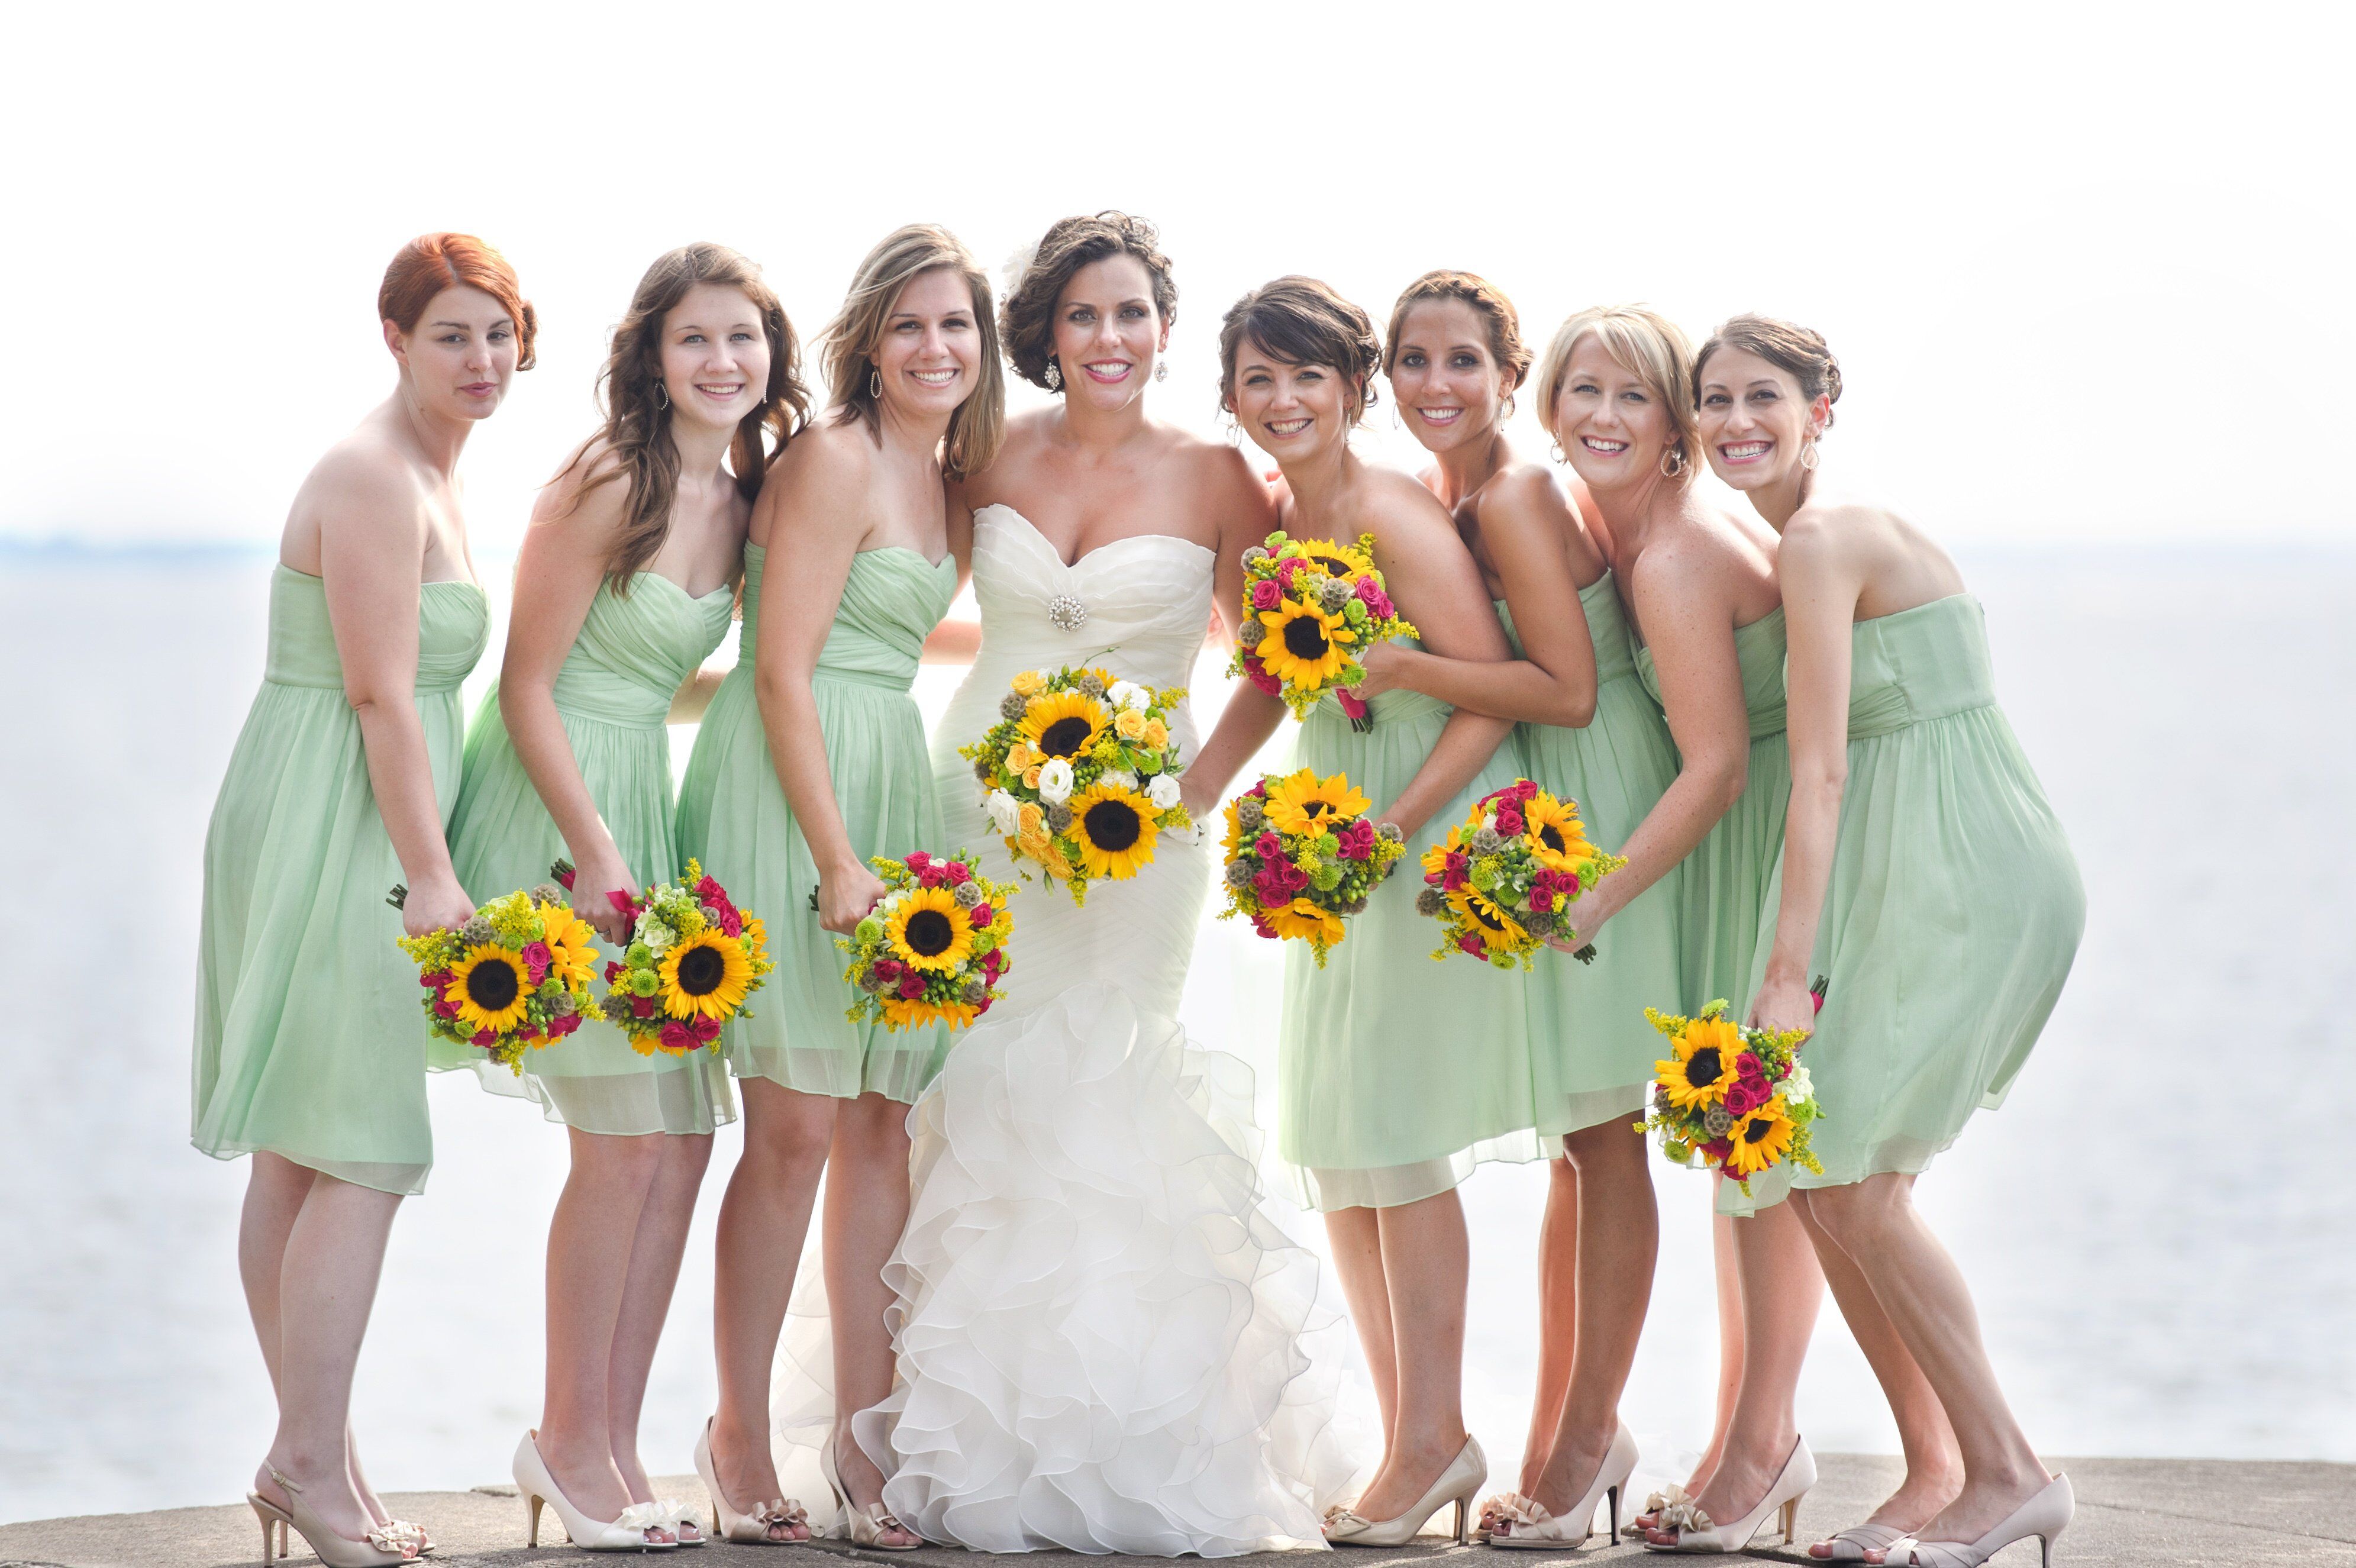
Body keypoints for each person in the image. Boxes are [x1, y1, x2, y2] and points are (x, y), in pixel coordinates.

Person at [849, 213, 1355, 1555]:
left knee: (1116, 1081)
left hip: (1149, 841)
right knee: (973, 1092)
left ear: (1163, 331)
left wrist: (1191, 795)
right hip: (976, 813)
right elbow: (891, 585)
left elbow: (1276, 658)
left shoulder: (1217, 477)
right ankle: (968, 1441)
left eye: (1131, 313)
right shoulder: (985, 453)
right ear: (1045, 334)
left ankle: (1136, 1440)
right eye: (1083, 316)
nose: (1110, 339)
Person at [1698, 314, 2083, 1568]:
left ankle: (2008, 1473)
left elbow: (1817, 773)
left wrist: (1781, 977)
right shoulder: (1811, 538)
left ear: (1823, 405)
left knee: (1850, 1184)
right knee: (1824, 1181)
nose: (1733, 422)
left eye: (1762, 396)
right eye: (1712, 402)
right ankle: (1937, 1472)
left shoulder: (1821, 537)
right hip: (1931, 857)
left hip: (1958, 868)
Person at [442, 243, 803, 1548]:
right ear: (653, 356)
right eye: (696, 339)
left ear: (772, 357)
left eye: (744, 340)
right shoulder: (612, 475)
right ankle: (563, 1440)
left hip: (640, 795)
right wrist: (594, 848)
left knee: (682, 1139)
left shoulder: (746, 488)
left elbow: (730, 657)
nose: (722, 362)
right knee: (622, 1143)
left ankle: (612, 1442)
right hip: (555, 806)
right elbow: (529, 679)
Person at [192, 232, 523, 1565]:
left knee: (302, 1141)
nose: (482, 359)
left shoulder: (438, 468)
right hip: (344, 815)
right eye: (452, 334)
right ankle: (308, 1461)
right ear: (394, 339)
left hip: (342, 797)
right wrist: (432, 875)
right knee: (363, 1141)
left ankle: (318, 1454)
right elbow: (384, 692)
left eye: (499, 333)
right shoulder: (375, 475)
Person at [674, 222, 1000, 1550]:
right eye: (912, 325)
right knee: (795, 1126)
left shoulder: (950, 478)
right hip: (791, 794)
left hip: (894, 785)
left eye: (959, 328)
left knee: (881, 1122)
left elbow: (923, 628)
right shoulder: (833, 458)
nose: (936, 348)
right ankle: (735, 1434)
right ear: (871, 337)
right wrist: (833, 857)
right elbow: (779, 668)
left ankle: (863, 1443)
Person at [1350, 272, 1677, 1549]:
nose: (1436, 384)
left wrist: (1405, 664)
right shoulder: (1444, 496)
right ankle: (1563, 1431)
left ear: (1505, 373)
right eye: (1414, 362)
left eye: (1462, 362)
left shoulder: (1520, 493)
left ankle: (1585, 1434)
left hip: (1594, 793)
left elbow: (1568, 687)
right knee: (1570, 1132)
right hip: (1534, 806)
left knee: (1602, 1127)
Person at [1223, 275, 1532, 1548]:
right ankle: (1420, 1432)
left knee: (1395, 1132)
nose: (1283, 400)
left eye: (1306, 376)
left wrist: (1390, 831)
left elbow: (1496, 690)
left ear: (1351, 389)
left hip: (1416, 821)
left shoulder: (1393, 513)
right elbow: (1260, 678)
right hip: (1328, 827)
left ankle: (1431, 1434)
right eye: (1258, 378)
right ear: (1234, 396)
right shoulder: (1275, 519)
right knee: (1338, 1135)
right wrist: (1197, 795)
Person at [1513, 305, 1828, 1555]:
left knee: (1755, 1155)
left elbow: (1712, 769)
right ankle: (1726, 1437)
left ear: (1672, 429)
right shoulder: (1622, 528)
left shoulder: (1674, 556)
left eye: (1631, 397)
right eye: (1581, 390)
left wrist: (1586, 899)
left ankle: (1754, 1443)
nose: (1601, 416)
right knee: (1714, 1152)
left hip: (1745, 860)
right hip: (1714, 857)